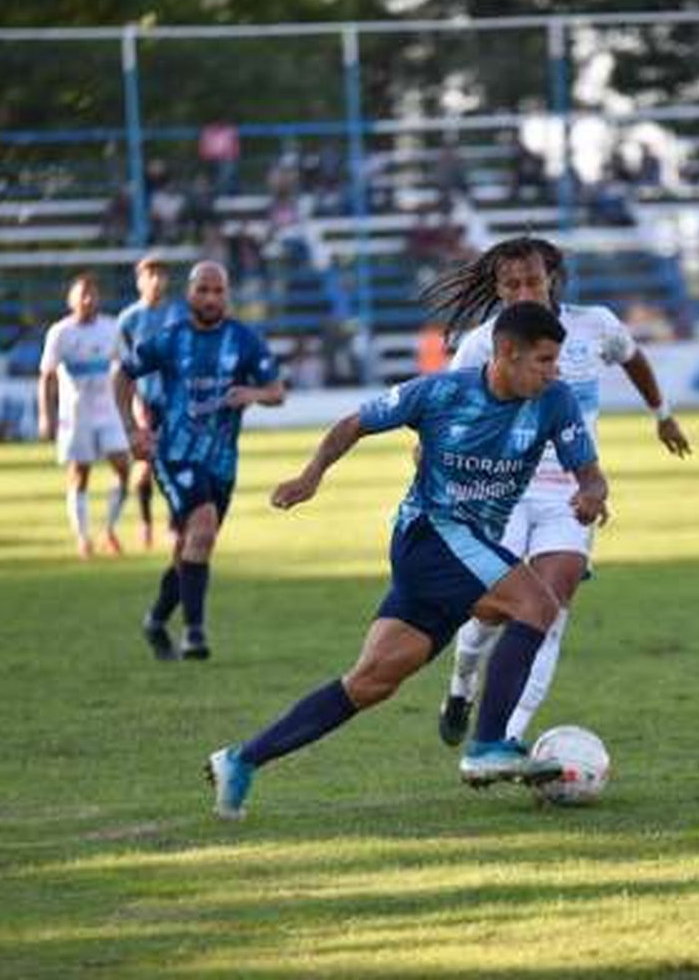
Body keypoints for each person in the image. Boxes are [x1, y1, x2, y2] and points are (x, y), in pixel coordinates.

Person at [203, 302, 607, 820]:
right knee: (537, 605)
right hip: (429, 535)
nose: (554, 371)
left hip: (467, 550)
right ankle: (488, 746)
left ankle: (241, 760)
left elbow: (590, 473)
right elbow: (354, 423)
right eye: (544, 360)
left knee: (371, 681)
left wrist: (592, 493)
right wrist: (310, 477)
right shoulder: (441, 392)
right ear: (507, 353)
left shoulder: (555, 401)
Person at [422, 236, 691, 751]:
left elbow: (633, 358)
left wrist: (662, 415)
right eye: (512, 284)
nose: (525, 291)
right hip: (500, 490)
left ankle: (508, 736)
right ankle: (462, 684)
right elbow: (448, 407)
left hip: (569, 492)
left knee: (550, 608)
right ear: (498, 290)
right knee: (488, 612)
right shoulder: (484, 343)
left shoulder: (595, 326)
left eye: (533, 280)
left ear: (551, 277)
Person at [114, 262, 285, 661]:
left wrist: (254, 395)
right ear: (190, 293)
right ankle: (194, 634)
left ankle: (156, 620)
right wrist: (132, 431)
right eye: (203, 290)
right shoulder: (171, 339)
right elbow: (123, 376)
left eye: (218, 290)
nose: (210, 298)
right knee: (203, 527)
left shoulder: (244, 340)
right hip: (173, 454)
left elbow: (277, 391)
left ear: (227, 294)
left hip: (222, 463)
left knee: (193, 547)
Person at [38, 273, 131, 559]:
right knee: (80, 475)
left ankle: (110, 530)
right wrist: (46, 414)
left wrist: (129, 409)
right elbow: (47, 377)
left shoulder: (111, 328)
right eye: (82, 295)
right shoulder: (60, 333)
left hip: (109, 412)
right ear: (71, 300)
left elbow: (127, 370)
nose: (88, 300)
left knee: (124, 469)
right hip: (76, 415)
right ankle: (83, 538)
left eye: (93, 294)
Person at [116, 256, 183, 550]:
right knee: (144, 467)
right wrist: (132, 406)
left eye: (161, 274)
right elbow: (122, 370)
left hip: (175, 403)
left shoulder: (179, 314)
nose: (156, 280)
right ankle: (145, 523)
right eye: (150, 274)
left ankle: (172, 525)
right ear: (139, 280)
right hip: (144, 404)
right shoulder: (129, 320)